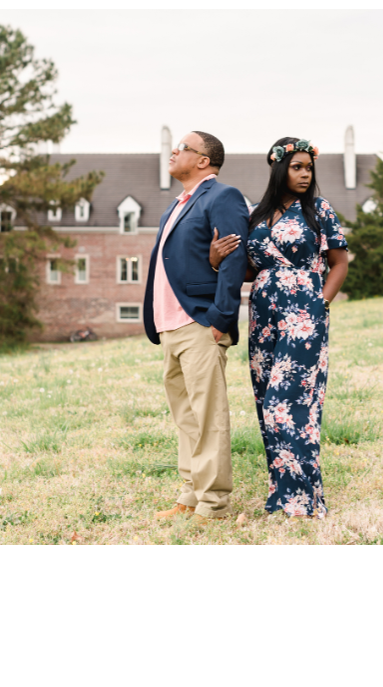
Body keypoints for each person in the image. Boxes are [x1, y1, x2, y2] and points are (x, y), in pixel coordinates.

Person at [210, 138, 348, 518]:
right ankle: (283, 496)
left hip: (304, 313)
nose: (305, 174)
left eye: (309, 168)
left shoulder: (318, 209)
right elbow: (248, 270)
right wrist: (215, 259)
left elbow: (339, 263)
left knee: (286, 405)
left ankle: (304, 501)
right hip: (263, 314)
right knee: (265, 404)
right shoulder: (255, 215)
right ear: (279, 169)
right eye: (297, 167)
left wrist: (320, 304)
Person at [144, 131, 249, 523]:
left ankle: (213, 504)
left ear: (203, 160)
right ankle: (190, 496)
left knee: (208, 418)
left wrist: (220, 317)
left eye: (183, 147)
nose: (174, 151)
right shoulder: (176, 205)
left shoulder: (223, 197)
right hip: (169, 326)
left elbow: (235, 259)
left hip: (200, 323)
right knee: (186, 418)